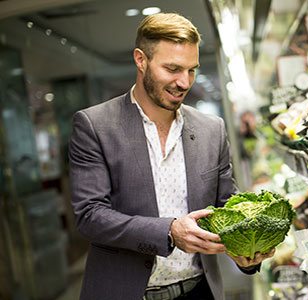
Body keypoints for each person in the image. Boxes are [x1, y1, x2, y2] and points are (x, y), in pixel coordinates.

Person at [69, 13, 273, 300]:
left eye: (192, 70)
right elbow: (90, 215)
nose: (184, 82)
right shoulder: (95, 125)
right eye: (173, 68)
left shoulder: (211, 129)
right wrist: (169, 230)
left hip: (200, 290)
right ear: (141, 60)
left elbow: (228, 206)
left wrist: (248, 251)